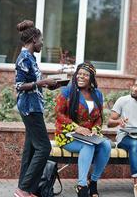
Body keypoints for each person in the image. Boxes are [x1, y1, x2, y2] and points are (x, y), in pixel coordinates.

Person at [14, 20, 61, 197]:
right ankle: (23, 189)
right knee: (44, 148)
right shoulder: (24, 57)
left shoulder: (30, 58)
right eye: (41, 40)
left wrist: (49, 85)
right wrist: (42, 82)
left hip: (34, 106)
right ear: (34, 39)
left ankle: (27, 189)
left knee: (32, 148)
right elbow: (19, 85)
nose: (43, 43)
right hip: (29, 107)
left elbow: (33, 83)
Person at [54, 62, 111, 197]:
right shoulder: (67, 91)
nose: (81, 77)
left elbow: (98, 117)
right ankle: (81, 185)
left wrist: (96, 129)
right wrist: (76, 127)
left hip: (88, 135)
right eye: (79, 74)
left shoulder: (97, 94)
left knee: (107, 146)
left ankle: (93, 182)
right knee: (89, 146)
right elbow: (58, 114)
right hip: (67, 134)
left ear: (91, 78)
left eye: (85, 75)